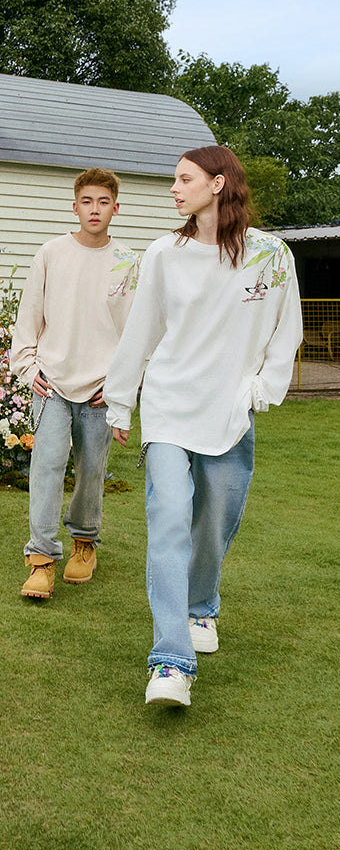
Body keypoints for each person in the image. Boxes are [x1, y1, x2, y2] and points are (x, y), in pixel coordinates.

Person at [103, 146, 302, 708]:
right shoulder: (165, 252)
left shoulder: (271, 255)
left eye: (183, 178)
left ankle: (201, 608)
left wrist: (262, 389)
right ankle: (170, 660)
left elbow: (287, 328)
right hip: (168, 405)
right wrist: (121, 402)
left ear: (218, 184)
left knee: (214, 521)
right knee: (167, 522)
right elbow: (141, 330)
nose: (173, 187)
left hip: (229, 411)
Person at [10, 168, 140, 598]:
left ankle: (85, 542)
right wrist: (30, 370)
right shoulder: (51, 253)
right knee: (46, 465)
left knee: (90, 469)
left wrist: (122, 385)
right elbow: (29, 317)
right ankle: (41, 558)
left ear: (116, 208)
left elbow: (137, 331)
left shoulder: (127, 262)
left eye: (103, 202)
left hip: (101, 387)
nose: (95, 209)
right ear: (75, 206)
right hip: (52, 382)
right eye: (87, 201)